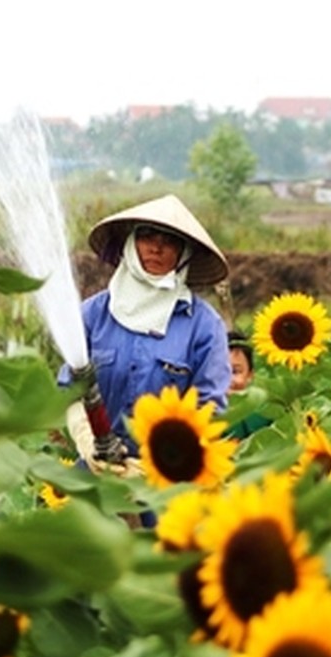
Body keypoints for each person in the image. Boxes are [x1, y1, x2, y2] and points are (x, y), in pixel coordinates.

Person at [59, 195, 232, 473]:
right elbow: (70, 389)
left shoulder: (203, 326)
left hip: (167, 480)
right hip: (96, 475)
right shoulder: (93, 314)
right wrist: (86, 439)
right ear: (130, 243)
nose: (157, 247)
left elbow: (209, 408)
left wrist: (159, 465)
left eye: (170, 240)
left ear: (184, 254)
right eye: (147, 236)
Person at [224, 332, 272, 439]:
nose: (227, 380)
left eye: (235, 371)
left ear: (250, 375)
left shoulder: (265, 415)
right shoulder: (203, 415)